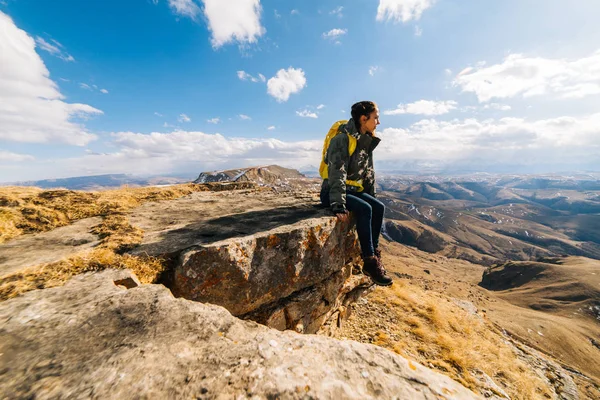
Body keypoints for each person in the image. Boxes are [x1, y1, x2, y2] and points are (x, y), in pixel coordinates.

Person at [320, 101, 393, 286]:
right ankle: (369, 260)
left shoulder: (364, 139)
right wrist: (338, 204)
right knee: (364, 209)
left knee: (378, 207)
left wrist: (371, 195)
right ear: (363, 118)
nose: (378, 122)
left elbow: (368, 172)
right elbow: (337, 171)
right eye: (375, 117)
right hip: (332, 191)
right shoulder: (342, 139)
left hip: (351, 189)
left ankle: (374, 253)